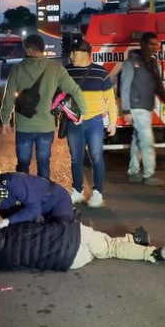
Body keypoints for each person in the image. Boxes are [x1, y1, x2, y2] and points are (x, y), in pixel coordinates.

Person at [0, 33, 85, 178]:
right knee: (44, 163)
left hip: (24, 126)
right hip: (46, 126)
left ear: (28, 50)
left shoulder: (17, 69)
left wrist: (5, 119)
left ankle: (23, 194)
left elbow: (9, 96)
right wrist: (82, 110)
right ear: (42, 48)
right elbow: (74, 89)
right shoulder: (55, 68)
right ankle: (43, 196)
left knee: (23, 164)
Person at [0, 220, 165, 271]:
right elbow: (37, 223)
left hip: (69, 260)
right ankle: (140, 245)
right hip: (74, 234)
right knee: (110, 246)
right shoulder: (5, 230)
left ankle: (151, 253)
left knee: (108, 250)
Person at [66, 39, 118, 208]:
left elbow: (109, 99)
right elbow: (59, 96)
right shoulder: (66, 71)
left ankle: (97, 192)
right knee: (76, 158)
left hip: (95, 121)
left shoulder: (100, 72)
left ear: (85, 54)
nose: (71, 56)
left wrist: (112, 121)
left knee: (96, 157)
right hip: (74, 122)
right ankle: (78, 191)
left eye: (74, 52)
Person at [120, 32, 165, 187]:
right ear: (142, 44)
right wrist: (126, 110)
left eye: (156, 44)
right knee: (147, 142)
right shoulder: (130, 63)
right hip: (137, 108)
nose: (154, 47)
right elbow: (125, 88)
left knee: (137, 141)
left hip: (146, 107)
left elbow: (158, 85)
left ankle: (133, 171)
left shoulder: (152, 63)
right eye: (151, 44)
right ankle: (148, 174)